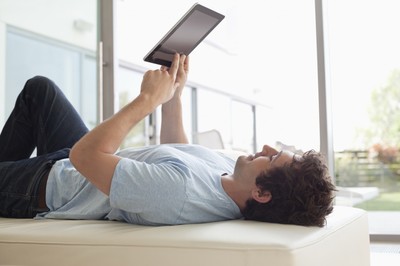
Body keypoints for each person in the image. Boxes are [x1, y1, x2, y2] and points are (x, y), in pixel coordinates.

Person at [0, 54, 335, 226]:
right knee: (39, 90)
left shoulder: (177, 195)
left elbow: (83, 157)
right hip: (68, 168)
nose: (266, 148)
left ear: (261, 194)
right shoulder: (232, 177)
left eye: (273, 158)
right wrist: (174, 94)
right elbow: (177, 150)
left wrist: (147, 100)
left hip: (46, 186)